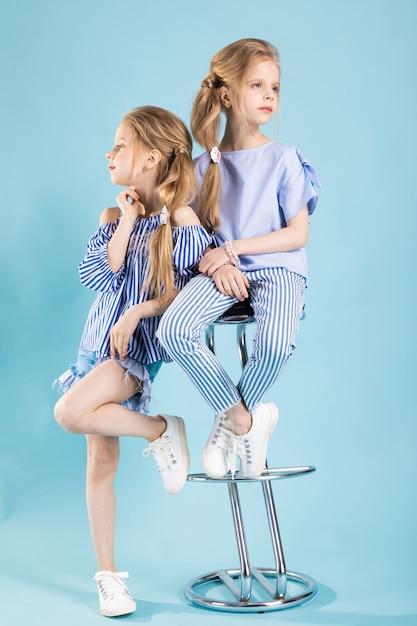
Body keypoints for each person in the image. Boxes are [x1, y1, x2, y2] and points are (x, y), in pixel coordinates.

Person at [53, 105, 212, 617]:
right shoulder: (113, 219)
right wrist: (125, 219)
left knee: (69, 413)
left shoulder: (180, 219)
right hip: (92, 350)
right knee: (100, 462)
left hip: (130, 354)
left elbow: (185, 291)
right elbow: (98, 276)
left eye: (120, 144)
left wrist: (140, 310)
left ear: (149, 157)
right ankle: (109, 578)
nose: (110, 152)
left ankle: (160, 429)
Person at [157, 38, 320, 481]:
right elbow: (182, 230)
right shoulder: (200, 168)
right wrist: (218, 259)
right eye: (257, 85)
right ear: (226, 94)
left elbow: (297, 234)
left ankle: (226, 422)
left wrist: (233, 249)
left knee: (273, 343)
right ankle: (244, 419)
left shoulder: (285, 159)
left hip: (278, 269)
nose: (269, 95)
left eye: (275, 88)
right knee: (173, 329)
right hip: (219, 274)